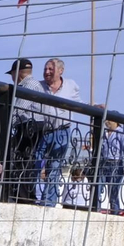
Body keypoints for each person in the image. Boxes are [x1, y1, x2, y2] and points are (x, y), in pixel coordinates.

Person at [0, 58, 44, 205]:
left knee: (22, 161)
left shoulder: (28, 85)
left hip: (30, 127)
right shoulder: (34, 84)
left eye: (12, 74)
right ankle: (20, 194)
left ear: (17, 73)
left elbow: (18, 109)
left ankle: (21, 196)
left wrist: (2, 127)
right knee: (23, 161)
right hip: (32, 127)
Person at [34, 58, 82, 207]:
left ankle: (48, 203)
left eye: (50, 69)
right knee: (34, 165)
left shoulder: (71, 85)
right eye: (45, 69)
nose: (46, 72)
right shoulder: (38, 86)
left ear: (61, 71)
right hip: (42, 131)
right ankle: (32, 197)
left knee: (54, 167)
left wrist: (94, 107)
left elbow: (79, 104)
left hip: (61, 131)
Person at [94, 119, 124, 213]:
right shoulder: (104, 133)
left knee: (113, 194)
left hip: (115, 164)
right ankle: (96, 211)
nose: (107, 122)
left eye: (109, 120)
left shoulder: (122, 132)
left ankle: (115, 214)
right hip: (103, 164)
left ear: (116, 122)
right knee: (98, 189)